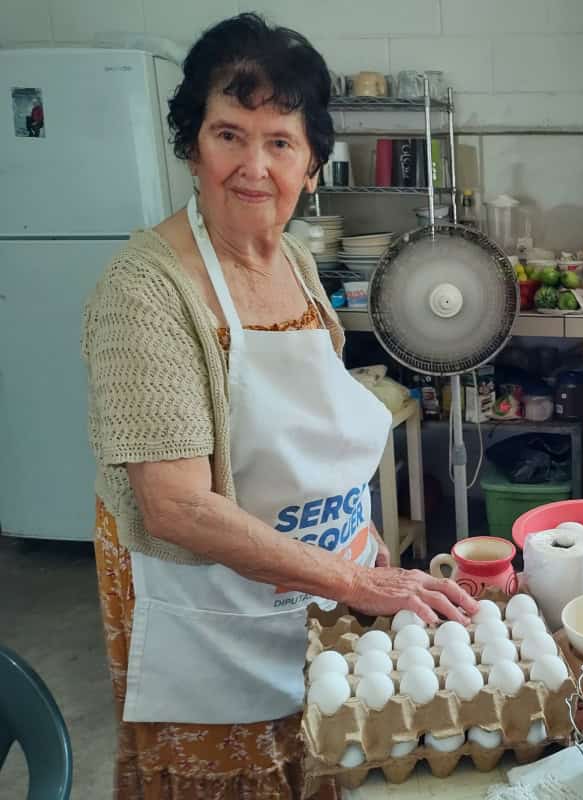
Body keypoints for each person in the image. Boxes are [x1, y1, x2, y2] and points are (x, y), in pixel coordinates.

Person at [82, 14, 476, 798]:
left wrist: (359, 557)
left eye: (280, 141)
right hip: (209, 615)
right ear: (190, 146)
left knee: (324, 759)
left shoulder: (293, 258)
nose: (252, 167)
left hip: (314, 593)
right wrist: (356, 583)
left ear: (313, 163)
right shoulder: (145, 291)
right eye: (229, 134)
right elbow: (177, 507)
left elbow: (310, 430)